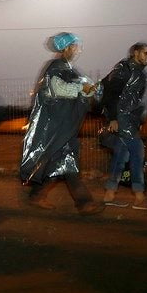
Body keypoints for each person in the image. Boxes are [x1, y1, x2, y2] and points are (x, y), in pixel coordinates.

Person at [20, 32, 105, 216]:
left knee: (61, 162)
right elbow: (56, 90)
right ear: (67, 48)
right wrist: (81, 88)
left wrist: (90, 90)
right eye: (75, 46)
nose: (78, 50)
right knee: (65, 162)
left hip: (64, 125)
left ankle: (37, 196)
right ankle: (84, 203)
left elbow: (80, 90)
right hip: (55, 125)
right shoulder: (56, 67)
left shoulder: (68, 69)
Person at [100, 42, 147, 210]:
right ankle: (139, 197)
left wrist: (138, 121)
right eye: (145, 53)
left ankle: (109, 195)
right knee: (137, 152)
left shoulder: (141, 74)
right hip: (120, 118)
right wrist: (113, 118)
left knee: (121, 155)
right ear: (135, 53)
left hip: (129, 120)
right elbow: (111, 94)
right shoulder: (123, 69)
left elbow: (134, 101)